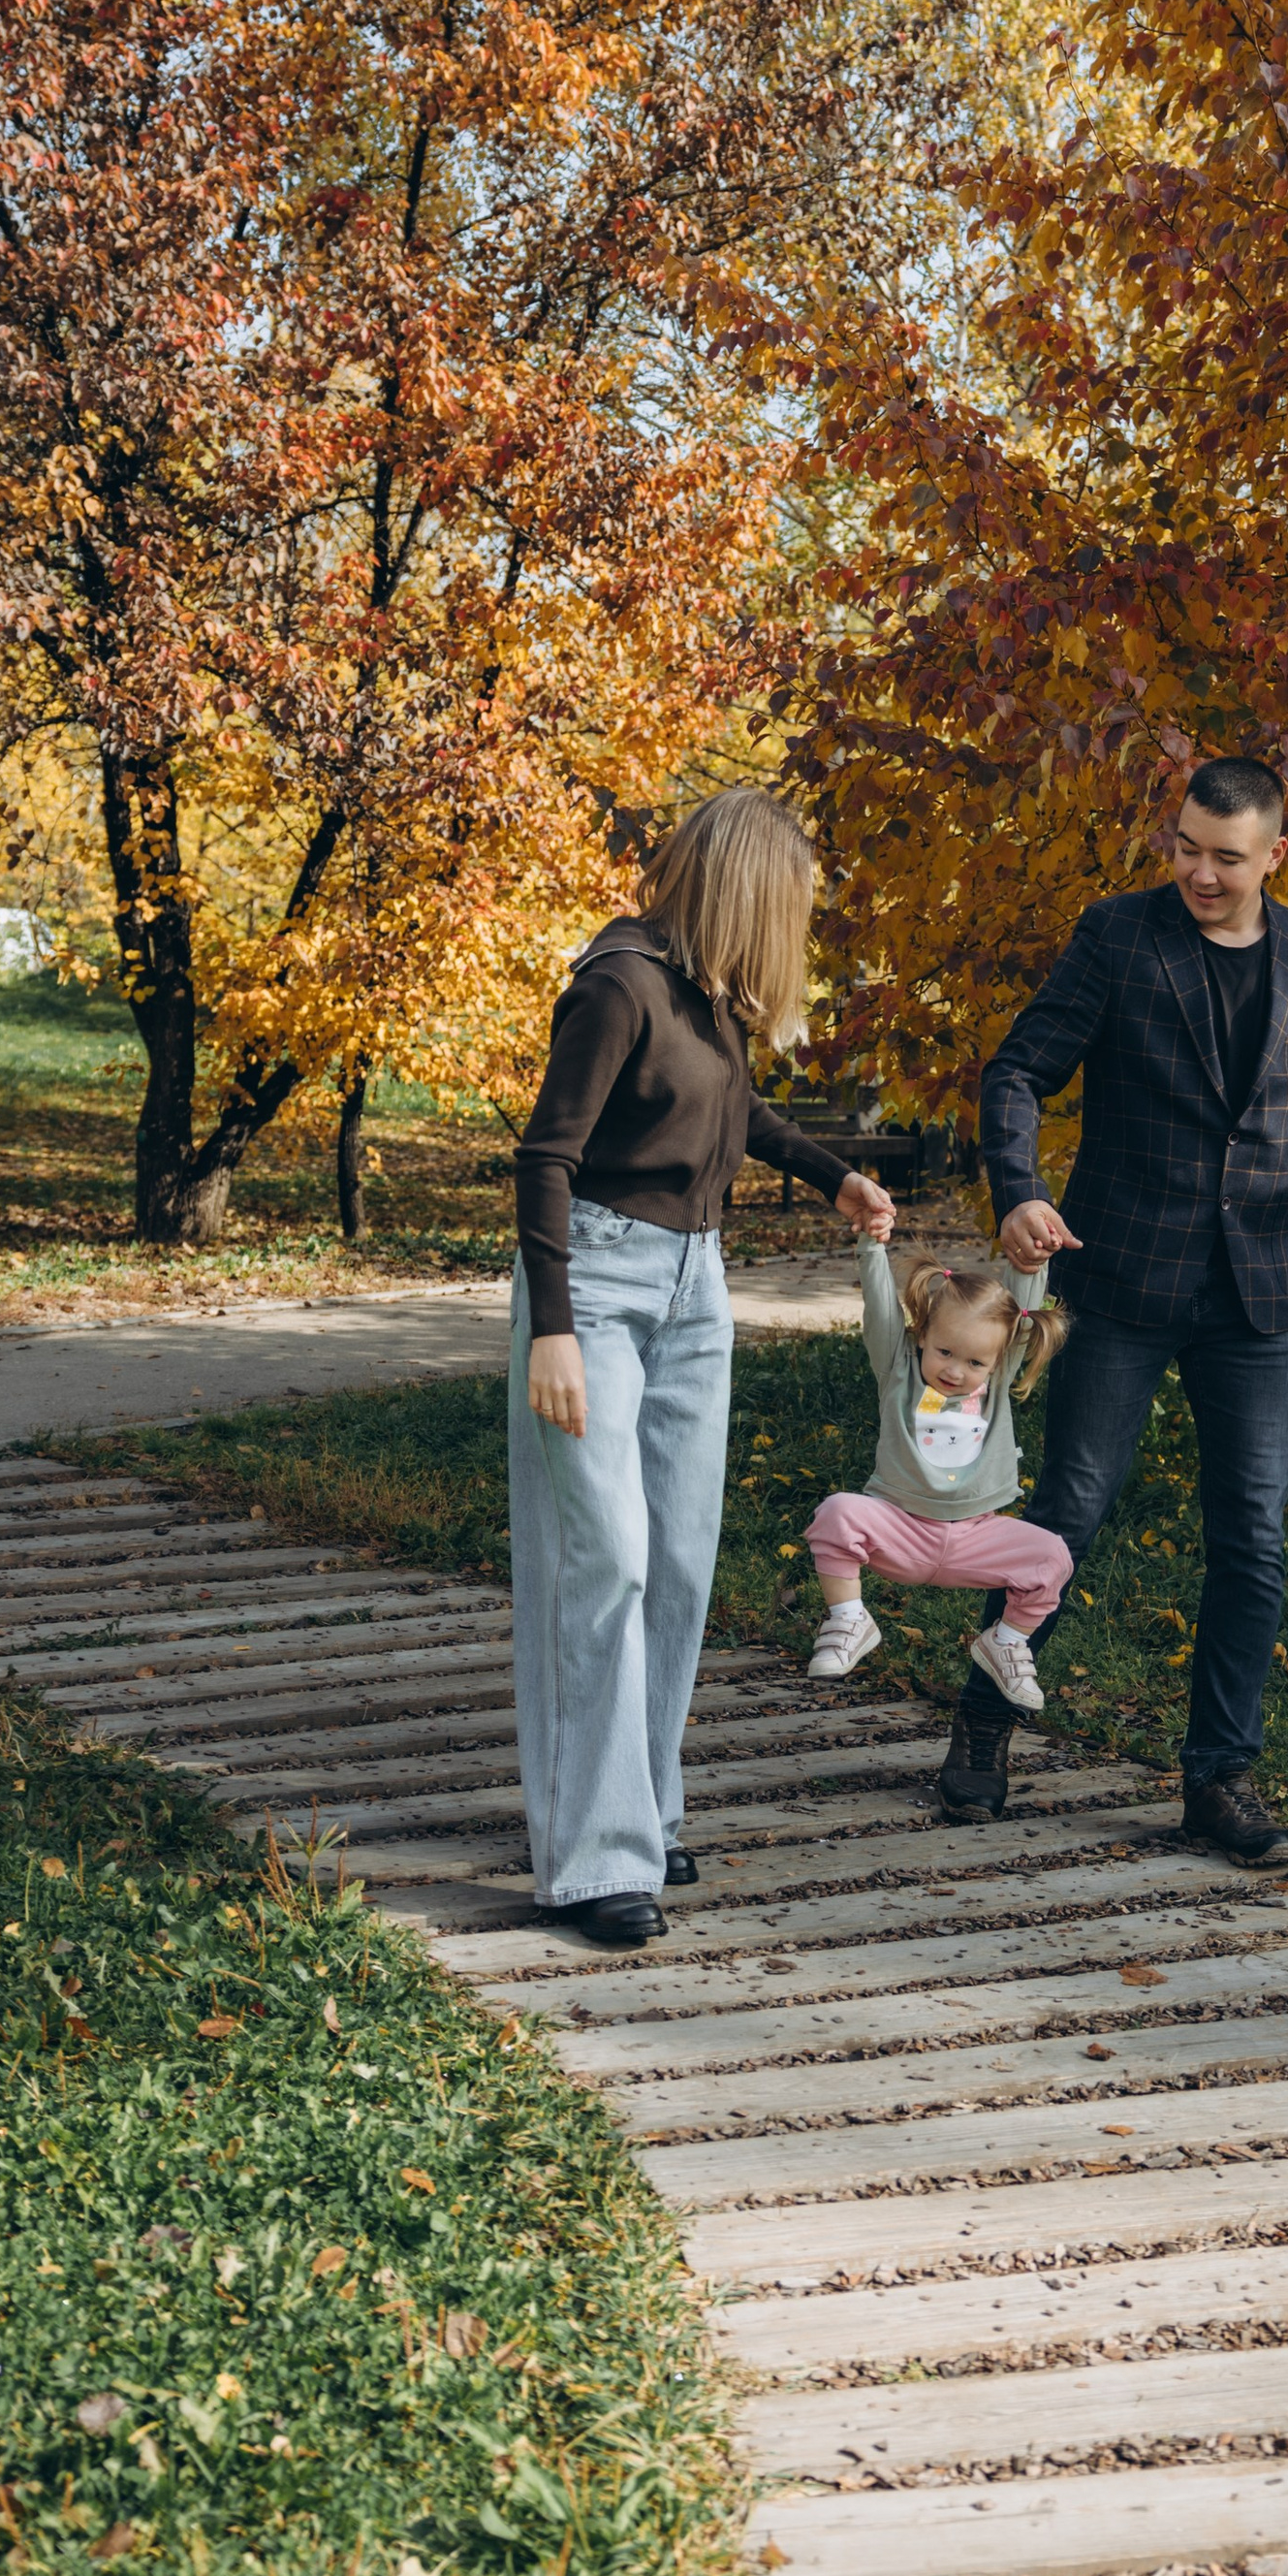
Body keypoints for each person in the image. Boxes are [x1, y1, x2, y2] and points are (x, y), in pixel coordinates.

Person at [956, 754, 1288, 1861]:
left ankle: (1219, 1780)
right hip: (1120, 1279)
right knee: (1068, 1514)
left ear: (1276, 855)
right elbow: (1018, 1072)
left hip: (1259, 1295)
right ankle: (984, 1726)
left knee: (1251, 1539)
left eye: (1226, 858)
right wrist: (1020, 1191)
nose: (1201, 873)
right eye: (1187, 848)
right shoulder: (1119, 935)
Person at [510, 788, 894, 1949]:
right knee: (604, 1560)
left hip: (695, 1284)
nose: (797, 932)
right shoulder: (619, 984)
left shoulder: (709, 996)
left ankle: (643, 1807)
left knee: (678, 1558)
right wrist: (552, 1329)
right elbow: (545, 1158)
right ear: (747, 895)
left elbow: (734, 1111)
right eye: (792, 908)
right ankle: (592, 1859)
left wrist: (833, 1176)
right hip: (594, 1283)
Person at [802, 1250, 1070, 1707]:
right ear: (922, 1334)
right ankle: (849, 1618)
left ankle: (1006, 1642)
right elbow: (880, 1309)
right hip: (901, 1527)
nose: (954, 1371)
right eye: (945, 1352)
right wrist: (871, 1246)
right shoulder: (898, 1370)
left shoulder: (995, 1382)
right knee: (837, 1513)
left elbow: (1020, 1312)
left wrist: (1030, 1261)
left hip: (976, 1537)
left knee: (1053, 1555)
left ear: (996, 1361)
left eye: (975, 1363)